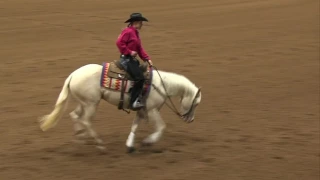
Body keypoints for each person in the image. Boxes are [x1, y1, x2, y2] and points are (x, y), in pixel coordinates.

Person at [116, 13, 153, 109]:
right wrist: (129, 52)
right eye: (141, 22)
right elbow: (119, 43)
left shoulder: (135, 33)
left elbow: (139, 48)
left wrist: (147, 59)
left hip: (131, 59)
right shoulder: (128, 31)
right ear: (136, 23)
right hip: (126, 59)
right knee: (139, 78)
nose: (142, 24)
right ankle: (133, 101)